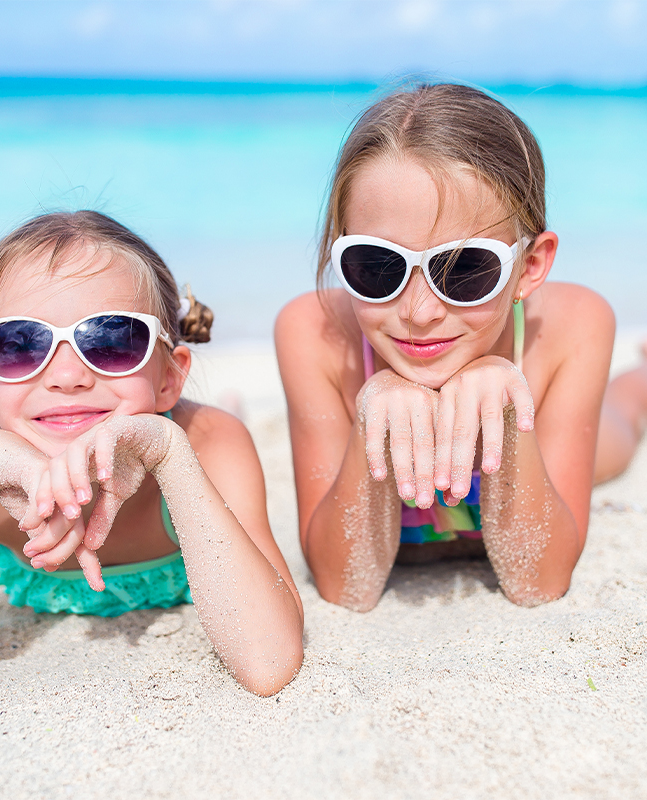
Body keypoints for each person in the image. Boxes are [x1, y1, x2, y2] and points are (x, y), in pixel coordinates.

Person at [0, 211, 303, 721]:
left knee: (222, 425)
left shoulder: (208, 448)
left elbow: (269, 663)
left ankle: (225, 401)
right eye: (19, 345)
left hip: (189, 431)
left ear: (170, 378)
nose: (66, 376)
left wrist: (171, 455)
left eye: (110, 342)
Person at [275, 82, 644, 613]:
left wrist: (510, 412)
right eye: (378, 266)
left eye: (466, 269)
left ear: (531, 266)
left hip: (555, 410)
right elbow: (345, 586)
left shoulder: (570, 327)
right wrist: (373, 411)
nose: (419, 312)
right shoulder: (315, 334)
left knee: (623, 420)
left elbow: (536, 582)